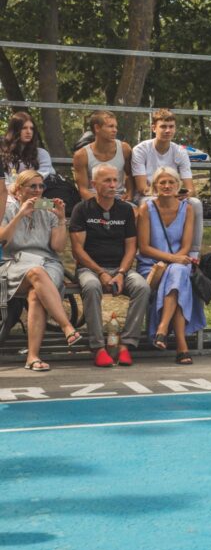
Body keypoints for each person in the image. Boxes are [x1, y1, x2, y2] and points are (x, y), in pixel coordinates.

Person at [69, 164, 150, 367]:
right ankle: (98, 347)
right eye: (107, 180)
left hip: (120, 268)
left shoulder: (125, 209)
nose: (113, 185)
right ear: (94, 184)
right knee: (91, 286)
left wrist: (121, 273)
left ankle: (126, 345)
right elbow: (77, 250)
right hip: (90, 269)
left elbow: (131, 247)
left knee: (142, 287)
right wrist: (101, 272)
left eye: (115, 180)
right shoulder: (82, 209)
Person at [0, 171, 81, 372]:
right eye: (32, 186)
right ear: (19, 190)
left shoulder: (48, 211)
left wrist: (61, 219)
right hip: (14, 262)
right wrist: (20, 214)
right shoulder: (8, 209)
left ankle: (33, 356)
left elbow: (58, 247)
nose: (38, 190)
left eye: (41, 186)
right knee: (35, 273)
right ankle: (66, 326)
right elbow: (3, 241)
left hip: (47, 262)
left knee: (36, 293)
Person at [136, 167, 206, 364]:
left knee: (177, 273)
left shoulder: (187, 209)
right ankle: (182, 347)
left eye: (171, 182)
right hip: (152, 266)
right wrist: (171, 260)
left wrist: (175, 261)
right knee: (178, 275)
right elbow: (144, 247)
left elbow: (186, 246)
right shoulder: (146, 208)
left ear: (178, 185)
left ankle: (162, 329)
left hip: (179, 262)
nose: (167, 186)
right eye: (162, 182)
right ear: (155, 186)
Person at [131, 109, 205, 257]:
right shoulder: (140, 150)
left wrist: (183, 194)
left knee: (195, 203)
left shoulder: (180, 151)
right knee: (147, 203)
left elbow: (191, 188)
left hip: (172, 195)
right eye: (163, 126)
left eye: (171, 126)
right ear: (154, 128)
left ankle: (193, 254)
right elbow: (142, 188)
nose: (168, 130)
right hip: (149, 195)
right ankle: (151, 253)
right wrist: (164, 194)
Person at [72, 110, 134, 202]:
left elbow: (129, 175)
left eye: (115, 126)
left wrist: (129, 192)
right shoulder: (81, 155)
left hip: (119, 198)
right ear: (97, 128)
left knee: (136, 210)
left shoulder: (125, 149)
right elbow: (83, 189)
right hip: (93, 200)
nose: (115, 130)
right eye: (110, 126)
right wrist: (103, 204)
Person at [2, 112, 55, 182]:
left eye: (31, 128)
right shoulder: (4, 154)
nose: (29, 132)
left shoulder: (41, 153)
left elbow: (42, 174)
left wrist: (22, 183)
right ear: (15, 130)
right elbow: (3, 179)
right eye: (24, 128)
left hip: (41, 187)